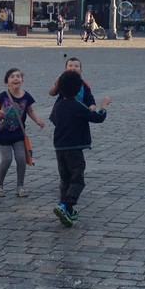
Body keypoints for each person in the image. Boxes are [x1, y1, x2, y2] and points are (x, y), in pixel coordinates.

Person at [49, 69, 111, 227]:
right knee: (77, 180)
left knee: (65, 180)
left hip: (59, 148)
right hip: (74, 149)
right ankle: (65, 205)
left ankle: (67, 211)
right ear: (79, 89)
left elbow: (54, 120)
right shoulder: (78, 106)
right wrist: (103, 106)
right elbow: (98, 118)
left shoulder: (59, 105)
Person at [0, 67, 46, 198]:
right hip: (2, 133)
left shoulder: (26, 96)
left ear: (22, 80)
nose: (15, 78)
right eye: (12, 76)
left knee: (21, 159)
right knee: (7, 159)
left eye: (18, 76)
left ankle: (20, 186)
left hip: (18, 134)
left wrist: (38, 121)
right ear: (7, 82)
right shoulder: (2, 96)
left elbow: (30, 111)